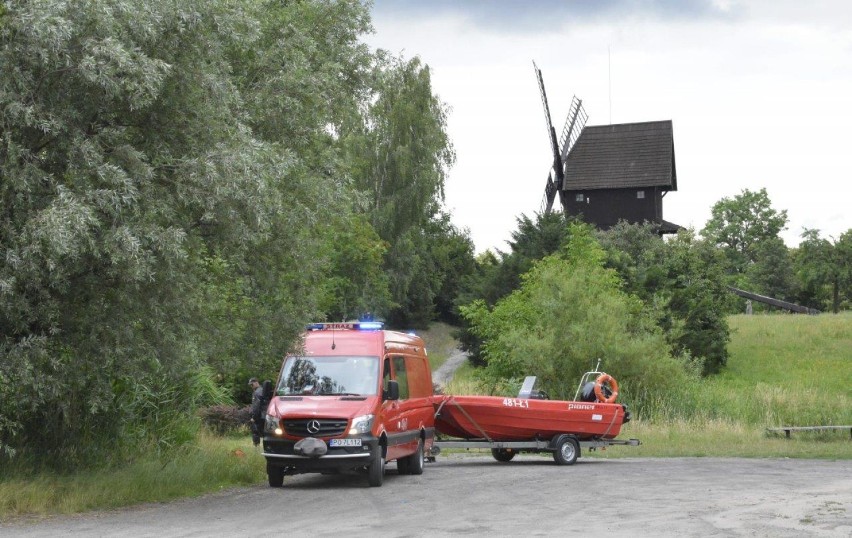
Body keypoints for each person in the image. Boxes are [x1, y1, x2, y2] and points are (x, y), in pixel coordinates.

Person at [248, 377, 265, 446]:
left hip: (259, 416)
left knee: (255, 432)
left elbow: (256, 407)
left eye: (252, 385)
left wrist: (254, 417)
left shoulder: (257, 392)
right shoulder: (262, 390)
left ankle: (256, 447)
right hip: (264, 415)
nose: (251, 386)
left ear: (256, 383)